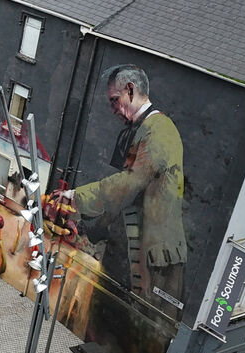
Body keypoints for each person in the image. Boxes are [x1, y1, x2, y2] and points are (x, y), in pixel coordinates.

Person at [53, 65, 186, 312]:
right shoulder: (137, 132)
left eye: (115, 100)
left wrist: (75, 197)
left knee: (144, 332)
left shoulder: (160, 131)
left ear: (131, 90)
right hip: (134, 256)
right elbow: (122, 199)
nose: (113, 109)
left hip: (157, 262)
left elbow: (130, 183)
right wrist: (85, 228)